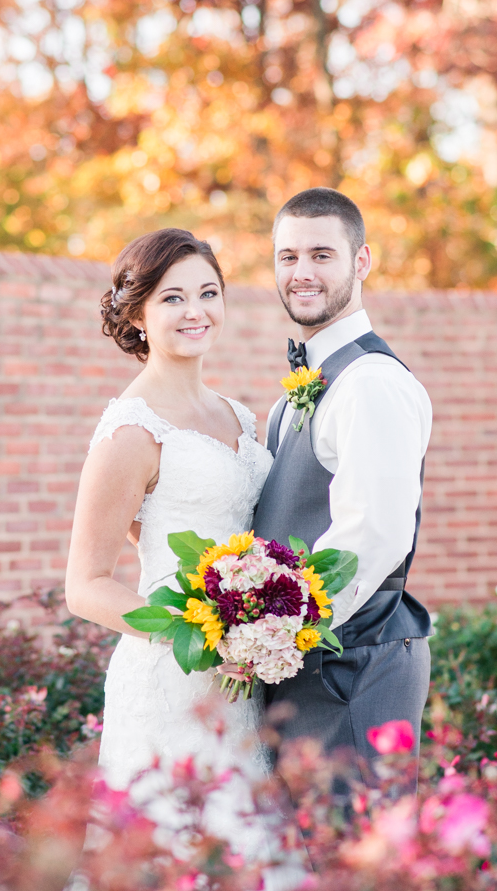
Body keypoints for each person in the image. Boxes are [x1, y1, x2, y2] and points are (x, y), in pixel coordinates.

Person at [65, 228, 273, 853]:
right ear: (137, 314)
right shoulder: (130, 429)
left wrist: (259, 627)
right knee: (171, 866)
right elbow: (85, 586)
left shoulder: (240, 416)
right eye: (172, 298)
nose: (195, 311)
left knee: (247, 849)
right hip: (171, 674)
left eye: (208, 293)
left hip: (243, 676)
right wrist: (205, 631)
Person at [252, 188, 433, 783]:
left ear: (362, 262)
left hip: (349, 670)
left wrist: (277, 634)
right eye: (287, 257)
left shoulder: (370, 382)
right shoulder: (298, 388)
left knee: (355, 863)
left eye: (321, 255)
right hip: (311, 670)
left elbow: (373, 535)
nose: (301, 272)